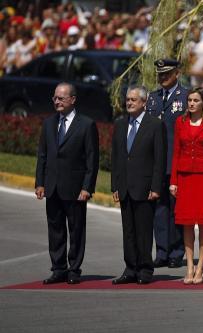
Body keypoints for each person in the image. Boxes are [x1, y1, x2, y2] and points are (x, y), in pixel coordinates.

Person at [35, 82, 99, 284]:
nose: (57, 101)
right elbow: (42, 156)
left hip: (75, 188)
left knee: (76, 229)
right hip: (52, 186)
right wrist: (40, 183)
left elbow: (92, 160)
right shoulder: (49, 124)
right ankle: (58, 268)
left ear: (72, 99)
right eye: (55, 98)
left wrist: (87, 187)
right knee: (55, 230)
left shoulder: (86, 124)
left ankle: (74, 269)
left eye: (61, 98)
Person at [111, 85, 166, 285]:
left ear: (144, 102)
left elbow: (159, 159)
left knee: (143, 230)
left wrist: (156, 187)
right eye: (128, 99)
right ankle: (130, 268)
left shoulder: (154, 125)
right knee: (129, 231)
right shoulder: (120, 124)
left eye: (133, 100)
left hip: (145, 188)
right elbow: (116, 157)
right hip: (125, 186)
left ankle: (145, 269)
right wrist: (115, 186)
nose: (129, 102)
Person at [169, 87, 203, 285]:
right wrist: (173, 181)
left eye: (195, 100)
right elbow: (176, 152)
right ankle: (189, 266)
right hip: (184, 177)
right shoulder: (180, 122)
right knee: (187, 223)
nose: (191, 103)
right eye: (189, 100)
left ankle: (201, 266)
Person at [146, 58, 188, 269]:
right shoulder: (152, 98)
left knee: (176, 208)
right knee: (159, 209)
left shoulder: (186, 97)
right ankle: (161, 252)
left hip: (176, 161)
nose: (163, 77)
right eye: (160, 74)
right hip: (156, 163)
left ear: (177, 74)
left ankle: (176, 252)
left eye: (167, 74)